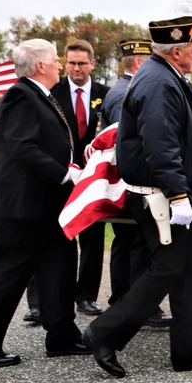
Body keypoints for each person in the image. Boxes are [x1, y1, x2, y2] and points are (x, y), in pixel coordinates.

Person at [83, 16, 192, 378]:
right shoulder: (158, 82)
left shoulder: (162, 76)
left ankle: (190, 350)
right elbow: (160, 144)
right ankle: (104, 333)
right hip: (159, 195)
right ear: (177, 50)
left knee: (184, 270)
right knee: (167, 268)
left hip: (163, 192)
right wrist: (178, 194)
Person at [0, 39, 88, 367]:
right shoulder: (20, 95)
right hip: (22, 207)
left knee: (59, 267)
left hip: (45, 205)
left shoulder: (38, 95)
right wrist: (64, 174)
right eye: (57, 61)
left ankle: (62, 336)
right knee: (10, 274)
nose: (61, 65)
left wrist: (70, 166)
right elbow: (23, 148)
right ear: (40, 65)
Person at [100, 38, 171, 328]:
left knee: (127, 242)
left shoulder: (119, 89)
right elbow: (128, 139)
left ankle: (123, 299)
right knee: (136, 245)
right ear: (141, 63)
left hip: (123, 182)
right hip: (131, 182)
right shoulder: (125, 92)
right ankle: (133, 304)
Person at [52, 39, 110, 317]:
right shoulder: (52, 91)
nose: (76, 68)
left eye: (82, 63)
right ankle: (43, 300)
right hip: (59, 174)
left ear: (92, 64)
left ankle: (86, 295)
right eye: (72, 63)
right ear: (65, 63)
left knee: (92, 237)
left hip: (92, 177)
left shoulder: (105, 94)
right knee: (52, 237)